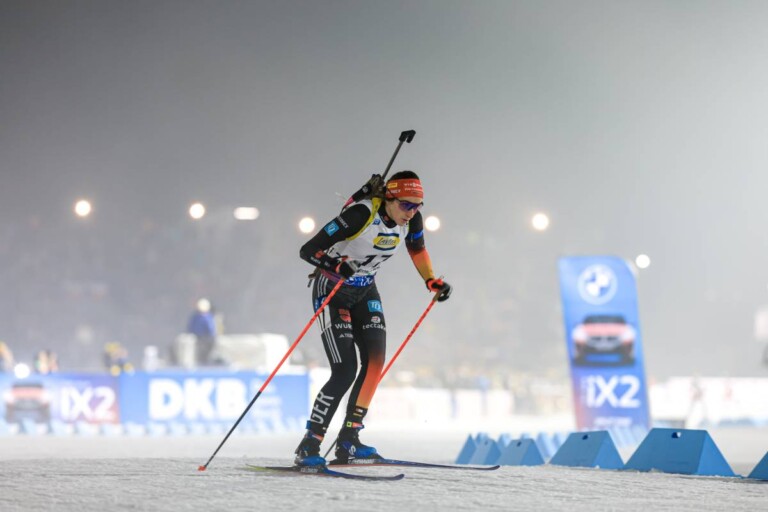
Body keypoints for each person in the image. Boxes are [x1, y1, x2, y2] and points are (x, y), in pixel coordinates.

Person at [293, 170, 452, 466]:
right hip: (333, 290)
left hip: (365, 290)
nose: (411, 212)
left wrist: (431, 280)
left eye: (417, 206)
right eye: (406, 205)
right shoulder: (361, 215)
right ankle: (310, 443)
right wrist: (335, 265)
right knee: (345, 371)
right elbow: (308, 250)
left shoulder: (411, 220)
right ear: (389, 198)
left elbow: (417, 249)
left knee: (375, 362)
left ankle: (349, 439)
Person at [186, 298, 217, 366]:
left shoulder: (207, 317)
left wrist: (211, 337)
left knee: (205, 355)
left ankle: (204, 363)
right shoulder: (196, 317)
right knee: (200, 355)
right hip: (199, 338)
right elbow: (191, 327)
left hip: (206, 339)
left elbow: (210, 329)